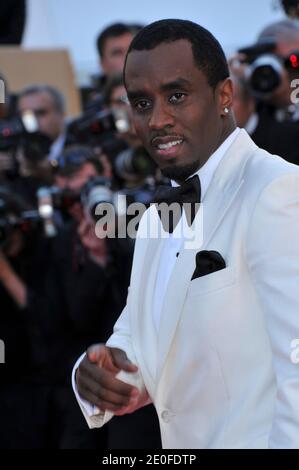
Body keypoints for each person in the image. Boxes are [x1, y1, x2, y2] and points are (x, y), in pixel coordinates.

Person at [73, 19, 299, 449]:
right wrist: (109, 371)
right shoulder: (159, 212)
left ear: (225, 96)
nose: (158, 119)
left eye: (176, 96)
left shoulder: (277, 189)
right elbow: (143, 340)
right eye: (141, 103)